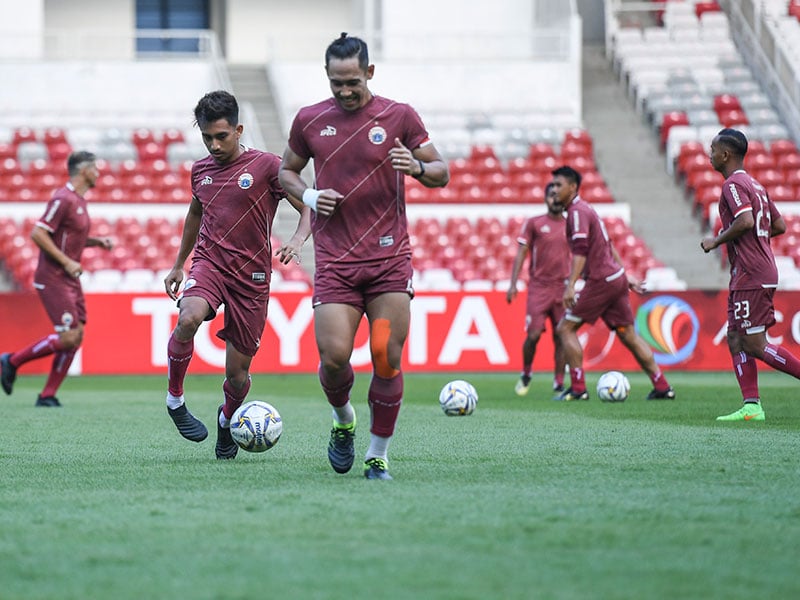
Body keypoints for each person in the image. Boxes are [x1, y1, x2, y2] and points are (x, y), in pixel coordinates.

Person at [278, 33, 450, 480]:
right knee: (334, 357)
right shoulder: (310, 120)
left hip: (389, 265)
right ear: (328, 78)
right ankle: (343, 422)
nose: (345, 91)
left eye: (353, 81)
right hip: (336, 262)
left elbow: (441, 171)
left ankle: (378, 455)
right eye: (337, 83)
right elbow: (286, 173)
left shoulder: (399, 116)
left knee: (385, 356)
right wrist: (312, 196)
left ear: (369, 72)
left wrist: (417, 168)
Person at [163, 90, 310, 458]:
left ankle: (227, 421)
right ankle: (175, 401)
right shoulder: (200, 171)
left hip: (252, 278)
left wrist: (297, 238)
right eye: (206, 137)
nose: (213, 145)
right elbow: (195, 214)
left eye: (221, 136)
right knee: (188, 318)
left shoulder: (266, 166)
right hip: (210, 264)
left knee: (237, 375)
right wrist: (180, 263)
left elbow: (308, 204)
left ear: (239, 129)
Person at [551, 165, 675, 401]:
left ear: (573, 187)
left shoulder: (577, 212)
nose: (554, 190)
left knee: (565, 328)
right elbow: (607, 246)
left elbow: (581, 252)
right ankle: (662, 386)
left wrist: (570, 285)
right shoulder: (587, 210)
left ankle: (578, 389)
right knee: (628, 334)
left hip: (600, 281)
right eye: (553, 186)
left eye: (558, 185)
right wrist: (623, 275)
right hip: (613, 278)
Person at [701, 128, 800, 421]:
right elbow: (779, 226)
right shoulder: (756, 185)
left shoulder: (732, 185)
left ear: (725, 154)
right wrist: (756, 239)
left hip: (751, 273)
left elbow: (745, 220)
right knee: (734, 336)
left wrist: (717, 239)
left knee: (755, 344)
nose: (709, 155)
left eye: (712, 149)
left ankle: (754, 404)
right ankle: (752, 406)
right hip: (754, 270)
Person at [1, 151, 113, 406]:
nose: (98, 173)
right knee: (69, 336)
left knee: (77, 335)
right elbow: (38, 233)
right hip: (53, 277)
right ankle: (12, 361)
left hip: (68, 278)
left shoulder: (79, 201)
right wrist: (67, 262)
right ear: (84, 170)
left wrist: (96, 242)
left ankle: (48, 395)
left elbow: (70, 238)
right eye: (95, 168)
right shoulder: (62, 199)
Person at [506, 182, 570, 397]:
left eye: (557, 195)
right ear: (545, 199)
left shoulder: (571, 225)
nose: (554, 198)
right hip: (539, 287)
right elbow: (522, 253)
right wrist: (513, 283)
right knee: (533, 335)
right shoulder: (534, 223)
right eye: (550, 195)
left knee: (561, 336)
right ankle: (526, 373)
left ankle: (559, 382)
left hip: (563, 287)